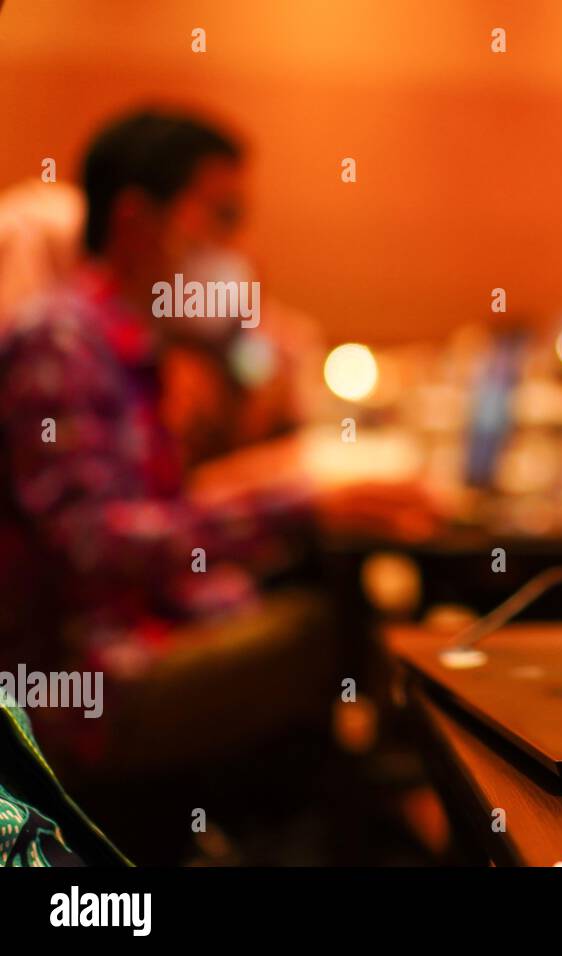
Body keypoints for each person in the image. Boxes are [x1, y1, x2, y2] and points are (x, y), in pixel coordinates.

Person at [0, 109, 436, 860]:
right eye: (222, 218)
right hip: (76, 689)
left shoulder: (127, 345)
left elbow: (153, 516)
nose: (237, 249)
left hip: (124, 646)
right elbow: (93, 544)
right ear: (136, 220)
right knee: (326, 630)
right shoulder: (61, 339)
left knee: (311, 613)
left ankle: (310, 835)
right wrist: (301, 505)